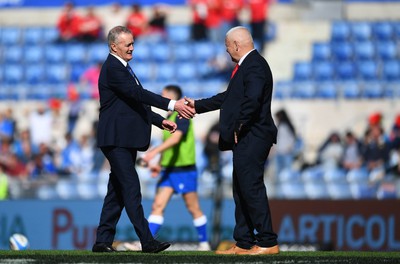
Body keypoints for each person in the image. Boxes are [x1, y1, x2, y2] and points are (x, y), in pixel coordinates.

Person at [92, 25, 195, 254]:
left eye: (132, 43)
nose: (131, 48)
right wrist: (171, 105)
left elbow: (134, 103)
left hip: (124, 139)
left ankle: (102, 241)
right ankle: (147, 241)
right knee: (130, 187)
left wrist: (160, 121)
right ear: (113, 47)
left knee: (117, 191)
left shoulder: (124, 68)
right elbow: (138, 95)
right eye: (127, 44)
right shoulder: (113, 68)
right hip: (116, 139)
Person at [185, 26, 279, 255]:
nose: (226, 51)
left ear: (236, 44)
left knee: (251, 187)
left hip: (253, 135)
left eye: (227, 46)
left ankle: (267, 242)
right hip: (246, 136)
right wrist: (197, 106)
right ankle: (244, 242)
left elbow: (253, 99)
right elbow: (228, 98)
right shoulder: (245, 66)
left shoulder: (255, 65)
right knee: (241, 188)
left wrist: (240, 124)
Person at [140, 85, 211, 251]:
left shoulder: (181, 116)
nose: (161, 97)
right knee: (158, 205)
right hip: (169, 170)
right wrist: (159, 164)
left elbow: (175, 140)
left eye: (164, 95)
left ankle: (204, 243)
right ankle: (147, 242)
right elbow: (170, 147)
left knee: (193, 208)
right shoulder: (169, 117)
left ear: (172, 96)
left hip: (184, 170)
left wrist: (152, 153)